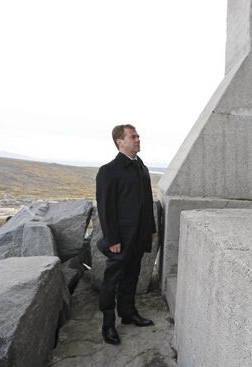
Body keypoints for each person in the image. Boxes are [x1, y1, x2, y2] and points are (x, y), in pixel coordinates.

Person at [96, 124, 156, 345]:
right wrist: (112, 240)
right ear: (120, 141)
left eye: (138, 135)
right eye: (133, 136)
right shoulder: (108, 171)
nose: (138, 139)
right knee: (111, 281)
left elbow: (147, 203)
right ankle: (108, 324)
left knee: (132, 276)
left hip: (139, 237)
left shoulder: (142, 168)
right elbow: (105, 208)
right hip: (119, 240)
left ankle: (128, 314)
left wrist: (150, 230)